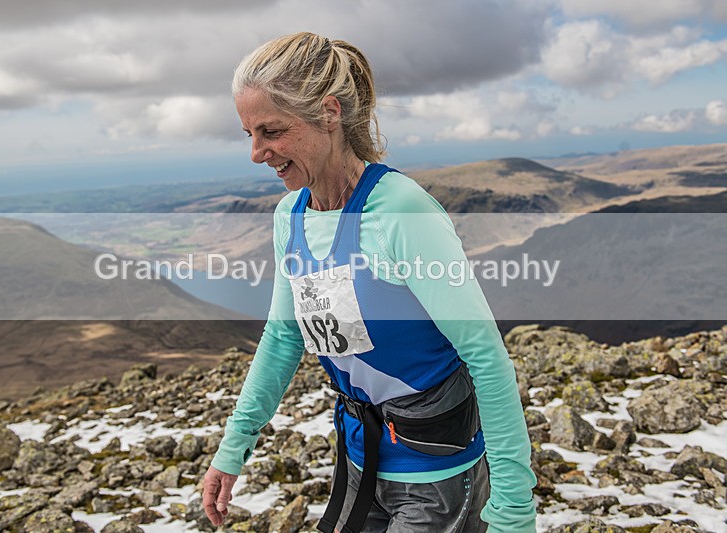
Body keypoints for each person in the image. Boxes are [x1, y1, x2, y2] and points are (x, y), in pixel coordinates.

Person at [202, 32, 537, 532]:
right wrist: (232, 450)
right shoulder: (289, 216)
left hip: (436, 473)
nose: (256, 152)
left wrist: (513, 508)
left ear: (329, 113)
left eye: (271, 130)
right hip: (361, 459)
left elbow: (484, 354)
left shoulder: (400, 210)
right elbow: (283, 335)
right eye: (248, 133)